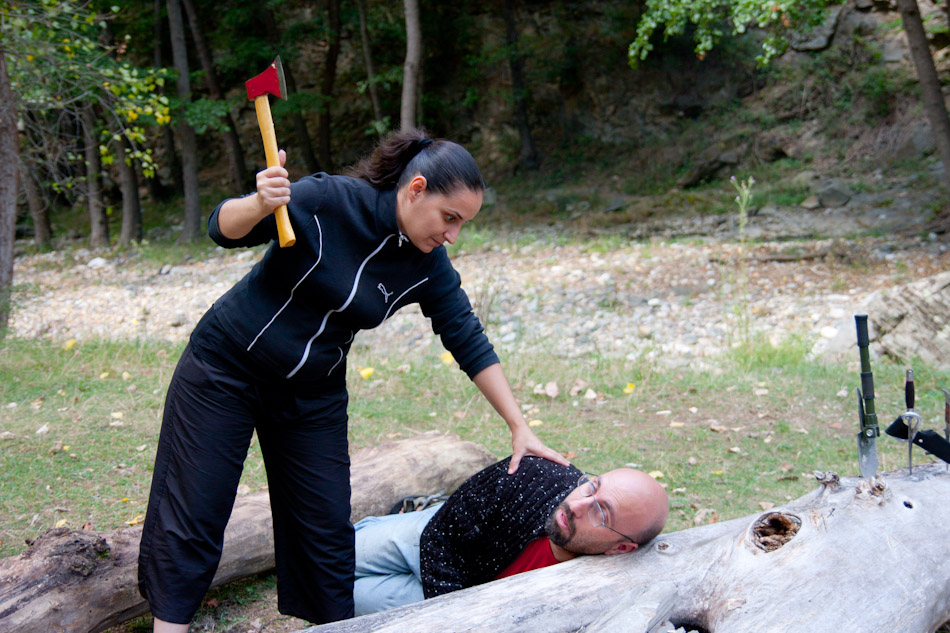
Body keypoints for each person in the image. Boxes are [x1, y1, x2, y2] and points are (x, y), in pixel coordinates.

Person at [137, 130, 569, 633]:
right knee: (196, 513)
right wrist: (259, 202)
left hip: (312, 393)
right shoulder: (328, 200)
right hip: (226, 366)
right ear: (416, 189)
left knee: (325, 537)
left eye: (462, 224)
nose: (453, 235)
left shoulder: (427, 263)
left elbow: (465, 335)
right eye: (449, 217)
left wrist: (518, 425)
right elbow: (222, 229)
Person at [353, 455, 669, 615]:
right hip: (443, 538)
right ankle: (424, 508)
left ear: (621, 548)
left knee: (333, 598)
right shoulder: (534, 475)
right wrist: (450, 610)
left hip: (458, 599)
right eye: (593, 486)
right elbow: (440, 537)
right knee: (334, 555)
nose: (575, 505)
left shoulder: (603, 592)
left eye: (600, 512)